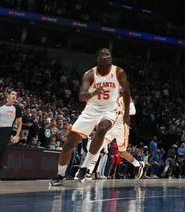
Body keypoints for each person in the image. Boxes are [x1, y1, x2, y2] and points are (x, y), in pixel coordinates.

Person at [50, 48, 131, 186]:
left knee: (102, 128)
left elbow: (127, 93)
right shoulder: (90, 74)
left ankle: (84, 168)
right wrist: (93, 93)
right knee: (69, 145)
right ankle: (60, 175)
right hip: (90, 111)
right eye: (104, 55)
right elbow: (81, 97)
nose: (108, 57)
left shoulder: (118, 72)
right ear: (98, 58)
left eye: (109, 55)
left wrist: (127, 115)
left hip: (109, 110)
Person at [75, 94, 144, 180]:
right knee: (97, 147)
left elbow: (133, 111)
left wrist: (120, 111)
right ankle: (89, 171)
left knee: (122, 152)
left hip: (121, 127)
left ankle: (138, 164)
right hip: (111, 127)